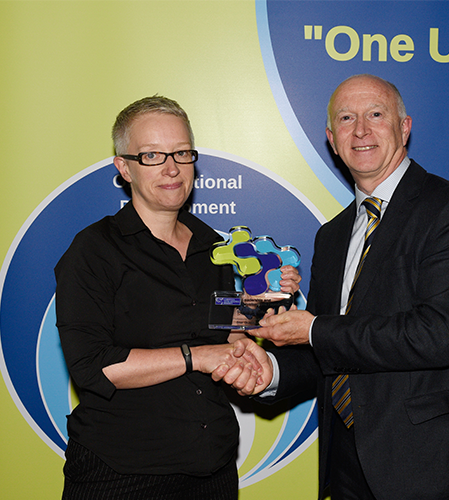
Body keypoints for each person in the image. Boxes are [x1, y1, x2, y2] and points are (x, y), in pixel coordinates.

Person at [239, 74, 449, 499]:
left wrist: (311, 330)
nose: (361, 130)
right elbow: (333, 352)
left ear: (404, 127)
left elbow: (440, 334)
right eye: (347, 118)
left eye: (376, 115)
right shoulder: (331, 236)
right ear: (332, 139)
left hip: (434, 467)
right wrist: (270, 372)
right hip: (347, 466)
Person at [54, 95, 299, 499]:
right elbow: (93, 368)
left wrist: (264, 302)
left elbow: (221, 324)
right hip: (122, 474)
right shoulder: (94, 249)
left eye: (182, 153)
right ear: (124, 168)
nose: (171, 168)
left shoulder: (211, 245)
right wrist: (198, 357)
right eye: (152, 155)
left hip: (213, 470)